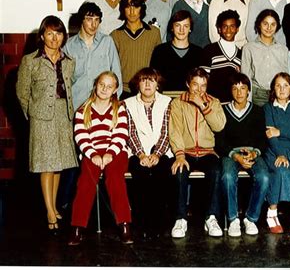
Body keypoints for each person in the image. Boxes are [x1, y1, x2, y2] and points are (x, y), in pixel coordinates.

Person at [16, 15, 78, 234]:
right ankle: (50, 211)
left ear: (64, 36)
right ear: (42, 36)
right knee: (46, 164)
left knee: (58, 163)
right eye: (50, 33)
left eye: (58, 33)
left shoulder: (69, 61)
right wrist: (33, 114)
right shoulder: (30, 61)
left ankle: (53, 204)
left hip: (63, 115)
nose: (54, 38)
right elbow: (22, 93)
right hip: (41, 118)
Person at [68, 71, 132, 246]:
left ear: (115, 90)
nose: (104, 89)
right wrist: (93, 153)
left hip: (116, 152)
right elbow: (81, 137)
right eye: (102, 84)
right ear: (96, 85)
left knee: (115, 178)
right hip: (92, 152)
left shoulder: (120, 109)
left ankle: (124, 224)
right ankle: (77, 227)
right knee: (85, 182)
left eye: (109, 86)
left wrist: (110, 153)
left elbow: (121, 135)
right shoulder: (82, 111)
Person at [168, 68, 226, 238]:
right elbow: (175, 131)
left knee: (216, 170)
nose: (199, 90)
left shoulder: (214, 102)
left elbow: (219, 126)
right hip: (186, 151)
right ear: (188, 84)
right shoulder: (178, 103)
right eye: (195, 85)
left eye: (203, 86)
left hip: (208, 152)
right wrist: (179, 155)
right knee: (179, 170)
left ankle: (211, 217)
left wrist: (203, 105)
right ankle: (180, 218)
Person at [216, 73, 270, 237]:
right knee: (227, 176)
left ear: (248, 91)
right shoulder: (223, 110)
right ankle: (233, 219)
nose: (239, 93)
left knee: (264, 177)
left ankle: (251, 218)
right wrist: (235, 156)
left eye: (243, 88)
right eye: (235, 88)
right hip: (231, 153)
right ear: (230, 91)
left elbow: (263, 140)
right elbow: (220, 142)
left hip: (252, 152)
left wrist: (254, 153)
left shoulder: (258, 111)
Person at [124, 68, 174, 240]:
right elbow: (129, 132)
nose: (147, 84)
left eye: (151, 80)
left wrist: (157, 154)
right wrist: (141, 155)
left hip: (161, 152)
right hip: (137, 153)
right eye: (143, 80)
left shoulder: (167, 102)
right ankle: (141, 223)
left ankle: (159, 223)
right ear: (138, 84)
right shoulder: (128, 103)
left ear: (157, 84)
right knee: (141, 176)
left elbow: (167, 131)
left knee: (162, 174)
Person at [263, 72, 290, 234]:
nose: (282, 89)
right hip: (274, 150)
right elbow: (270, 136)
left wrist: (280, 131)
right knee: (280, 170)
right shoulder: (268, 108)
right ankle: (272, 212)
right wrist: (280, 154)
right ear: (273, 89)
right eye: (278, 86)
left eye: (285, 86)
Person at [64, 2, 123, 111]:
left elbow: (116, 74)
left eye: (97, 20)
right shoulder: (68, 46)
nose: (94, 24)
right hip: (78, 105)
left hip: (103, 106)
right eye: (89, 19)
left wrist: (114, 103)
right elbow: (65, 80)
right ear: (81, 20)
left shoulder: (107, 42)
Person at [111, 0, 162, 98]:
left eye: (136, 6)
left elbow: (159, 65)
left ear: (141, 9)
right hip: (124, 90)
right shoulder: (115, 35)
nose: (132, 11)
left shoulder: (154, 32)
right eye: (128, 7)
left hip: (148, 89)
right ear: (123, 10)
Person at [241, 9, 289, 107]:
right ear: (259, 24)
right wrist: (247, 101)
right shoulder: (248, 48)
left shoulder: (283, 49)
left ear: (277, 27)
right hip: (257, 96)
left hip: (277, 95)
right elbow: (246, 77)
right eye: (265, 24)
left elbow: (287, 77)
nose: (269, 28)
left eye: (273, 24)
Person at [150, 10, 202, 91]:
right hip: (165, 99)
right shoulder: (160, 51)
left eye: (186, 26)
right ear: (172, 28)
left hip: (191, 100)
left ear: (190, 29)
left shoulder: (199, 53)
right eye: (178, 25)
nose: (182, 30)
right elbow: (153, 81)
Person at [201, 9, 242, 103]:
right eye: (225, 26)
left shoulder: (241, 54)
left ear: (237, 29)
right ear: (219, 29)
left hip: (232, 106)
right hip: (213, 105)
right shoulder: (209, 50)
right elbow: (202, 80)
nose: (228, 30)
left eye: (232, 26)